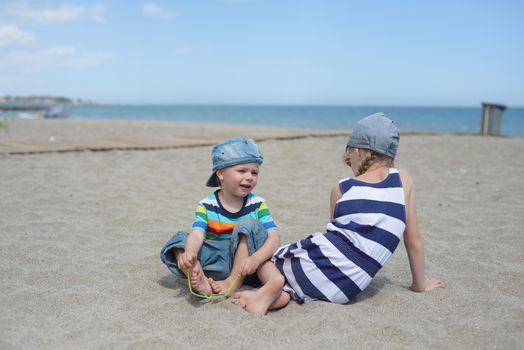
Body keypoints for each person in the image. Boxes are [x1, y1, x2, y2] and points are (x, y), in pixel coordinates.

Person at [232, 113, 444, 314]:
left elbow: (332, 236)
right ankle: (278, 296)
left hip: (317, 263)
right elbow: (413, 238)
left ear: (358, 152)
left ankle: (272, 285)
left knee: (267, 260)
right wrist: (419, 285)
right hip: (344, 290)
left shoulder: (342, 187)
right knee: (295, 288)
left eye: (349, 155)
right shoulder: (403, 180)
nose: (348, 161)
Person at [160, 137, 281, 296]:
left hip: (246, 265)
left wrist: (256, 259)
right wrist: (190, 252)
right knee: (179, 239)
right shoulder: (207, 205)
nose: (250, 176)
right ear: (221, 173)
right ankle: (196, 272)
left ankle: (232, 282)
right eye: (242, 171)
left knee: (248, 224)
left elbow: (274, 238)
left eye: (254, 172)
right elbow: (197, 234)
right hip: (216, 262)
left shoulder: (257, 204)